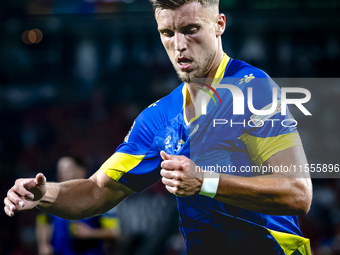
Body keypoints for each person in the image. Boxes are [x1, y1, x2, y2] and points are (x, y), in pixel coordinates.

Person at [4, 0, 313, 254]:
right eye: (167, 33)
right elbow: (97, 191)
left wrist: (204, 181)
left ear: (219, 25)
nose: (179, 45)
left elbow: (298, 193)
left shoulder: (252, 89)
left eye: (191, 30)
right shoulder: (159, 118)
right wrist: (44, 195)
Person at [35, 155, 120, 255]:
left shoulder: (98, 198)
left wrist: (90, 233)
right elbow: (43, 222)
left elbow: (115, 232)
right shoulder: (53, 197)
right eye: (60, 169)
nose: (62, 173)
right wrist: (43, 244)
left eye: (67, 169)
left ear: (81, 171)